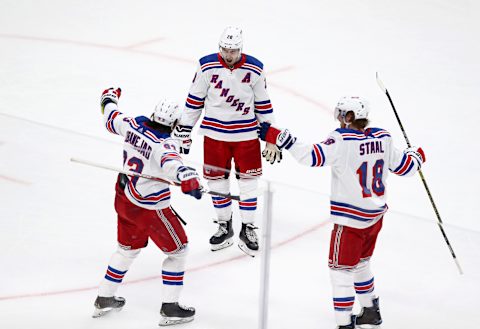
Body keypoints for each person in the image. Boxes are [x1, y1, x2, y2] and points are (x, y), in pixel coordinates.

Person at [258, 96, 426, 328]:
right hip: (375, 218)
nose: (337, 119)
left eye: (341, 114)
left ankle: (344, 323)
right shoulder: (383, 137)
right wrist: (417, 156)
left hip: (350, 222)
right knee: (361, 264)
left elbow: (311, 156)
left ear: (349, 117)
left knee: (340, 272)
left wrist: (279, 136)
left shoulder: (342, 141)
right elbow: (406, 167)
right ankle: (370, 309)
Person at [93, 87, 203, 326]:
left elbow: (110, 116)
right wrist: (188, 178)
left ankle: (105, 297)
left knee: (126, 249)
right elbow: (172, 164)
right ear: (173, 123)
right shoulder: (165, 145)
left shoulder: (132, 125)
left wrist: (109, 98)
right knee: (178, 251)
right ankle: (170, 308)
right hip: (149, 208)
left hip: (124, 197)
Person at [173, 26, 280, 256]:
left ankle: (248, 228)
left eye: (233, 51)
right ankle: (225, 226)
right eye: (225, 50)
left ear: (240, 49)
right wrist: (185, 131)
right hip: (214, 137)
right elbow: (194, 101)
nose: (229, 55)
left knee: (249, 185)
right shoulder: (206, 66)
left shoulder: (255, 68)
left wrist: (271, 138)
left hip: (246, 138)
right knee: (217, 184)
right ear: (219, 47)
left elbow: (264, 106)